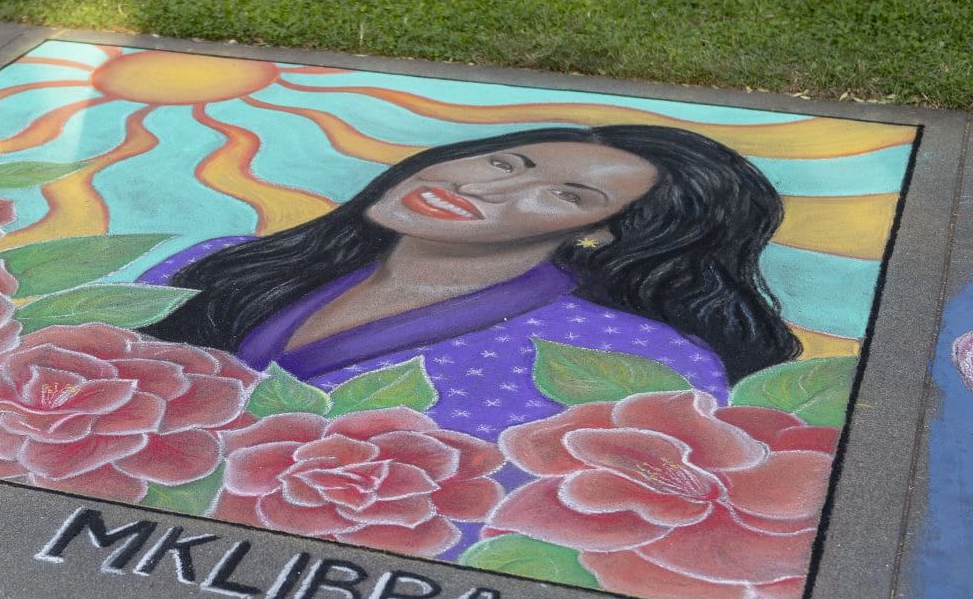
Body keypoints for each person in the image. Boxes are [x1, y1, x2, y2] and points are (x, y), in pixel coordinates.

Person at [139, 124, 800, 439]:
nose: (482, 188)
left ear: (603, 233)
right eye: (506, 162)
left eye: (567, 195)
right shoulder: (223, 263)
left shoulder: (640, 358)